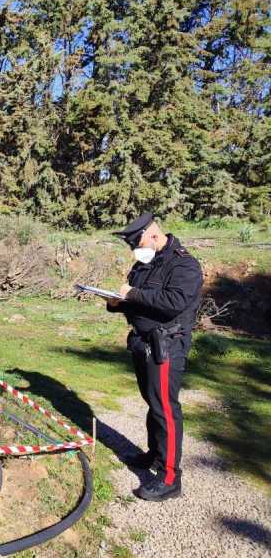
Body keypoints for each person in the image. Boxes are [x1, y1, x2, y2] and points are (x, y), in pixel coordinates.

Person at [106, 212, 203, 501]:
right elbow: (138, 301)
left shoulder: (184, 264)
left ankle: (170, 477)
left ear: (153, 235)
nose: (134, 251)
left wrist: (132, 295)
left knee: (166, 410)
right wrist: (116, 303)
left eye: (136, 244)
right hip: (143, 343)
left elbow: (173, 302)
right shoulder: (145, 263)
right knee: (153, 403)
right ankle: (154, 454)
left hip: (166, 346)